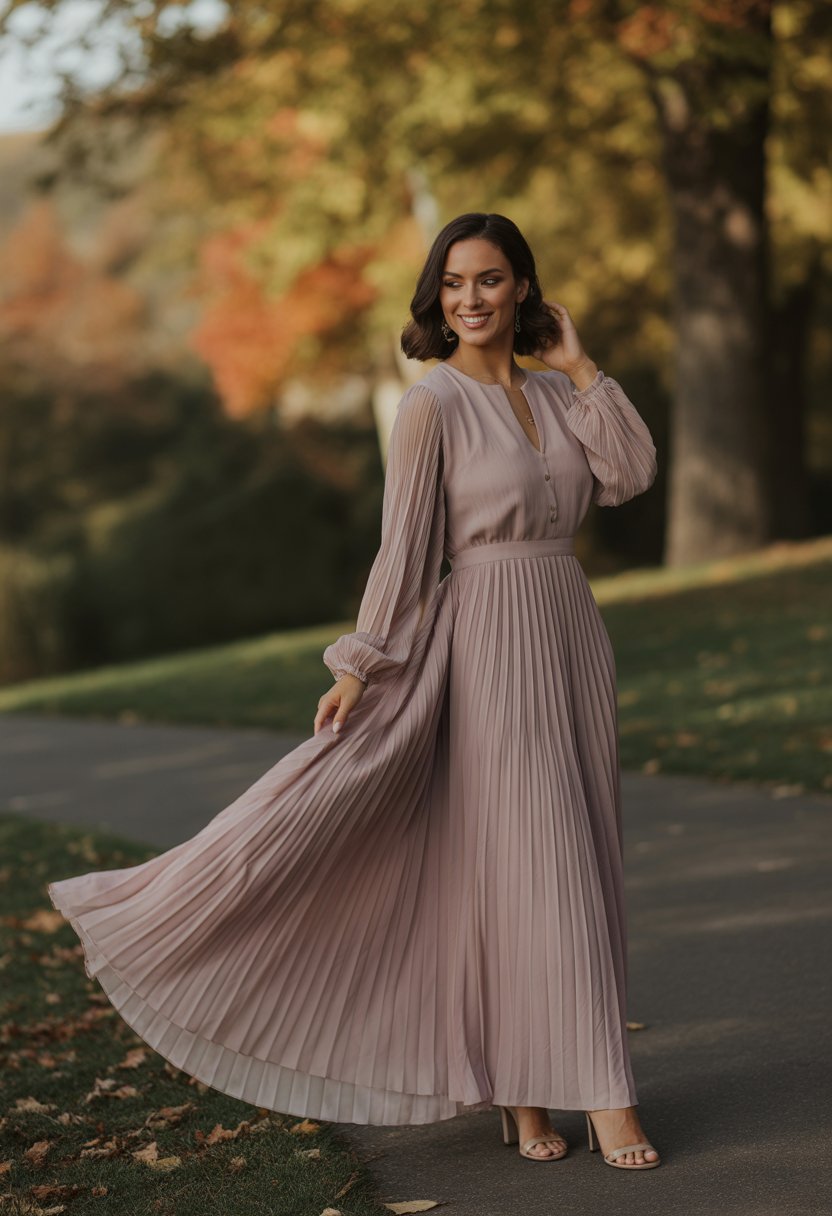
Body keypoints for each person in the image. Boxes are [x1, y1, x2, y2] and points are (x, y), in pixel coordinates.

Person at [48, 211, 660, 1175]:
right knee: (543, 861)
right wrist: (357, 664)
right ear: (436, 295)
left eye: (492, 280)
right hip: (488, 645)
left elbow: (629, 475)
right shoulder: (432, 407)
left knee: (566, 852)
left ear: (525, 290)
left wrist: (583, 368)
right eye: (455, 283)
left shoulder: (556, 392)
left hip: (572, 633)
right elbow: (405, 548)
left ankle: (521, 1088)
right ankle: (607, 1096)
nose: (471, 298)